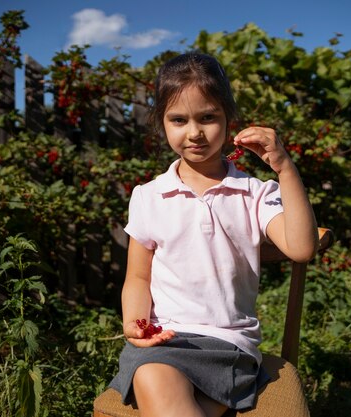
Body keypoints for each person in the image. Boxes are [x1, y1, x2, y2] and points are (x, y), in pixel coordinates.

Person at [108, 52, 319, 417]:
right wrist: (133, 324)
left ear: (228, 120)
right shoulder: (148, 196)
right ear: (162, 123)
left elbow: (301, 248)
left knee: (160, 392)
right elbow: (138, 277)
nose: (195, 132)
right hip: (165, 340)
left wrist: (285, 167)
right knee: (152, 377)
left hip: (229, 345)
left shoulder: (255, 192)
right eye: (179, 120)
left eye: (208, 117)